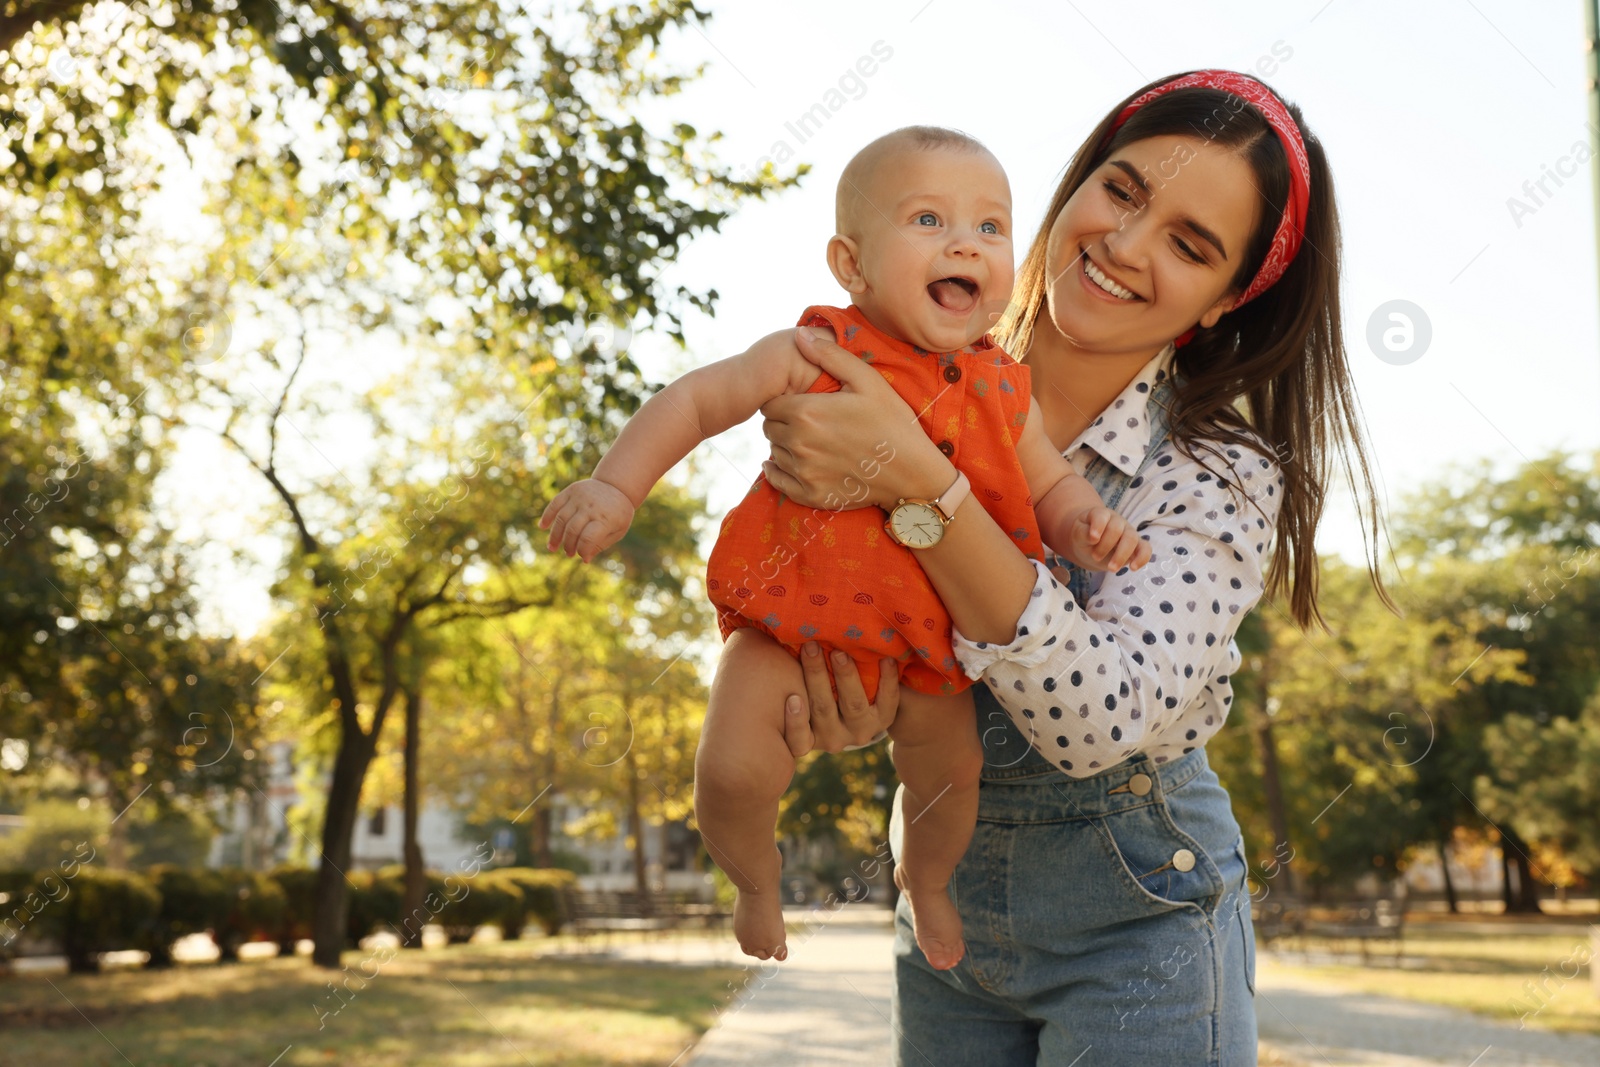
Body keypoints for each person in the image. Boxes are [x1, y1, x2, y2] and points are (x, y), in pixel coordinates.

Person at [762, 70, 1389, 1065]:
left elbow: (1096, 719)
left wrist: (922, 486)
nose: (1126, 246)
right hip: (944, 907)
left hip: (1141, 917)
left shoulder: (1218, 475)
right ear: (1076, 181)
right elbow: (853, 611)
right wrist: (838, 700)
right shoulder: (902, 372)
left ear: (1227, 296)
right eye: (1123, 191)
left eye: (1189, 244)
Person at [537, 126, 1152, 969]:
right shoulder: (816, 351)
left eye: (991, 227)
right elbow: (694, 401)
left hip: (929, 649)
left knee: (948, 779)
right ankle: (755, 879)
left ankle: (926, 880)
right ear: (851, 265)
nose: (966, 242)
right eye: (929, 220)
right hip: (787, 626)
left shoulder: (1002, 387)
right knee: (731, 769)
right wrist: (616, 485)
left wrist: (1087, 523)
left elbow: (1048, 485)